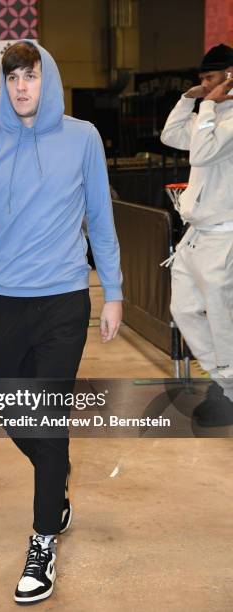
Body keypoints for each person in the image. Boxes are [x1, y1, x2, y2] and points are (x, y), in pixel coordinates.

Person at [0, 40, 123, 604]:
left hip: (65, 301)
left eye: (32, 76)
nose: (23, 86)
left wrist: (113, 291)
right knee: (9, 409)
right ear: (5, 84)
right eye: (14, 77)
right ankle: (58, 481)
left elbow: (100, 217)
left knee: (45, 417)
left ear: (49, 80)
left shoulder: (83, 138)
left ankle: (43, 539)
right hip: (8, 302)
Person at [161, 43, 233, 426]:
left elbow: (201, 153)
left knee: (223, 319)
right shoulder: (210, 113)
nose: (204, 85)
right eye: (201, 79)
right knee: (183, 309)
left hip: (225, 236)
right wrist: (189, 98)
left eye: (210, 78)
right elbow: (171, 135)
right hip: (196, 235)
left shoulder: (228, 119)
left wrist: (207, 107)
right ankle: (227, 384)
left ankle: (228, 390)